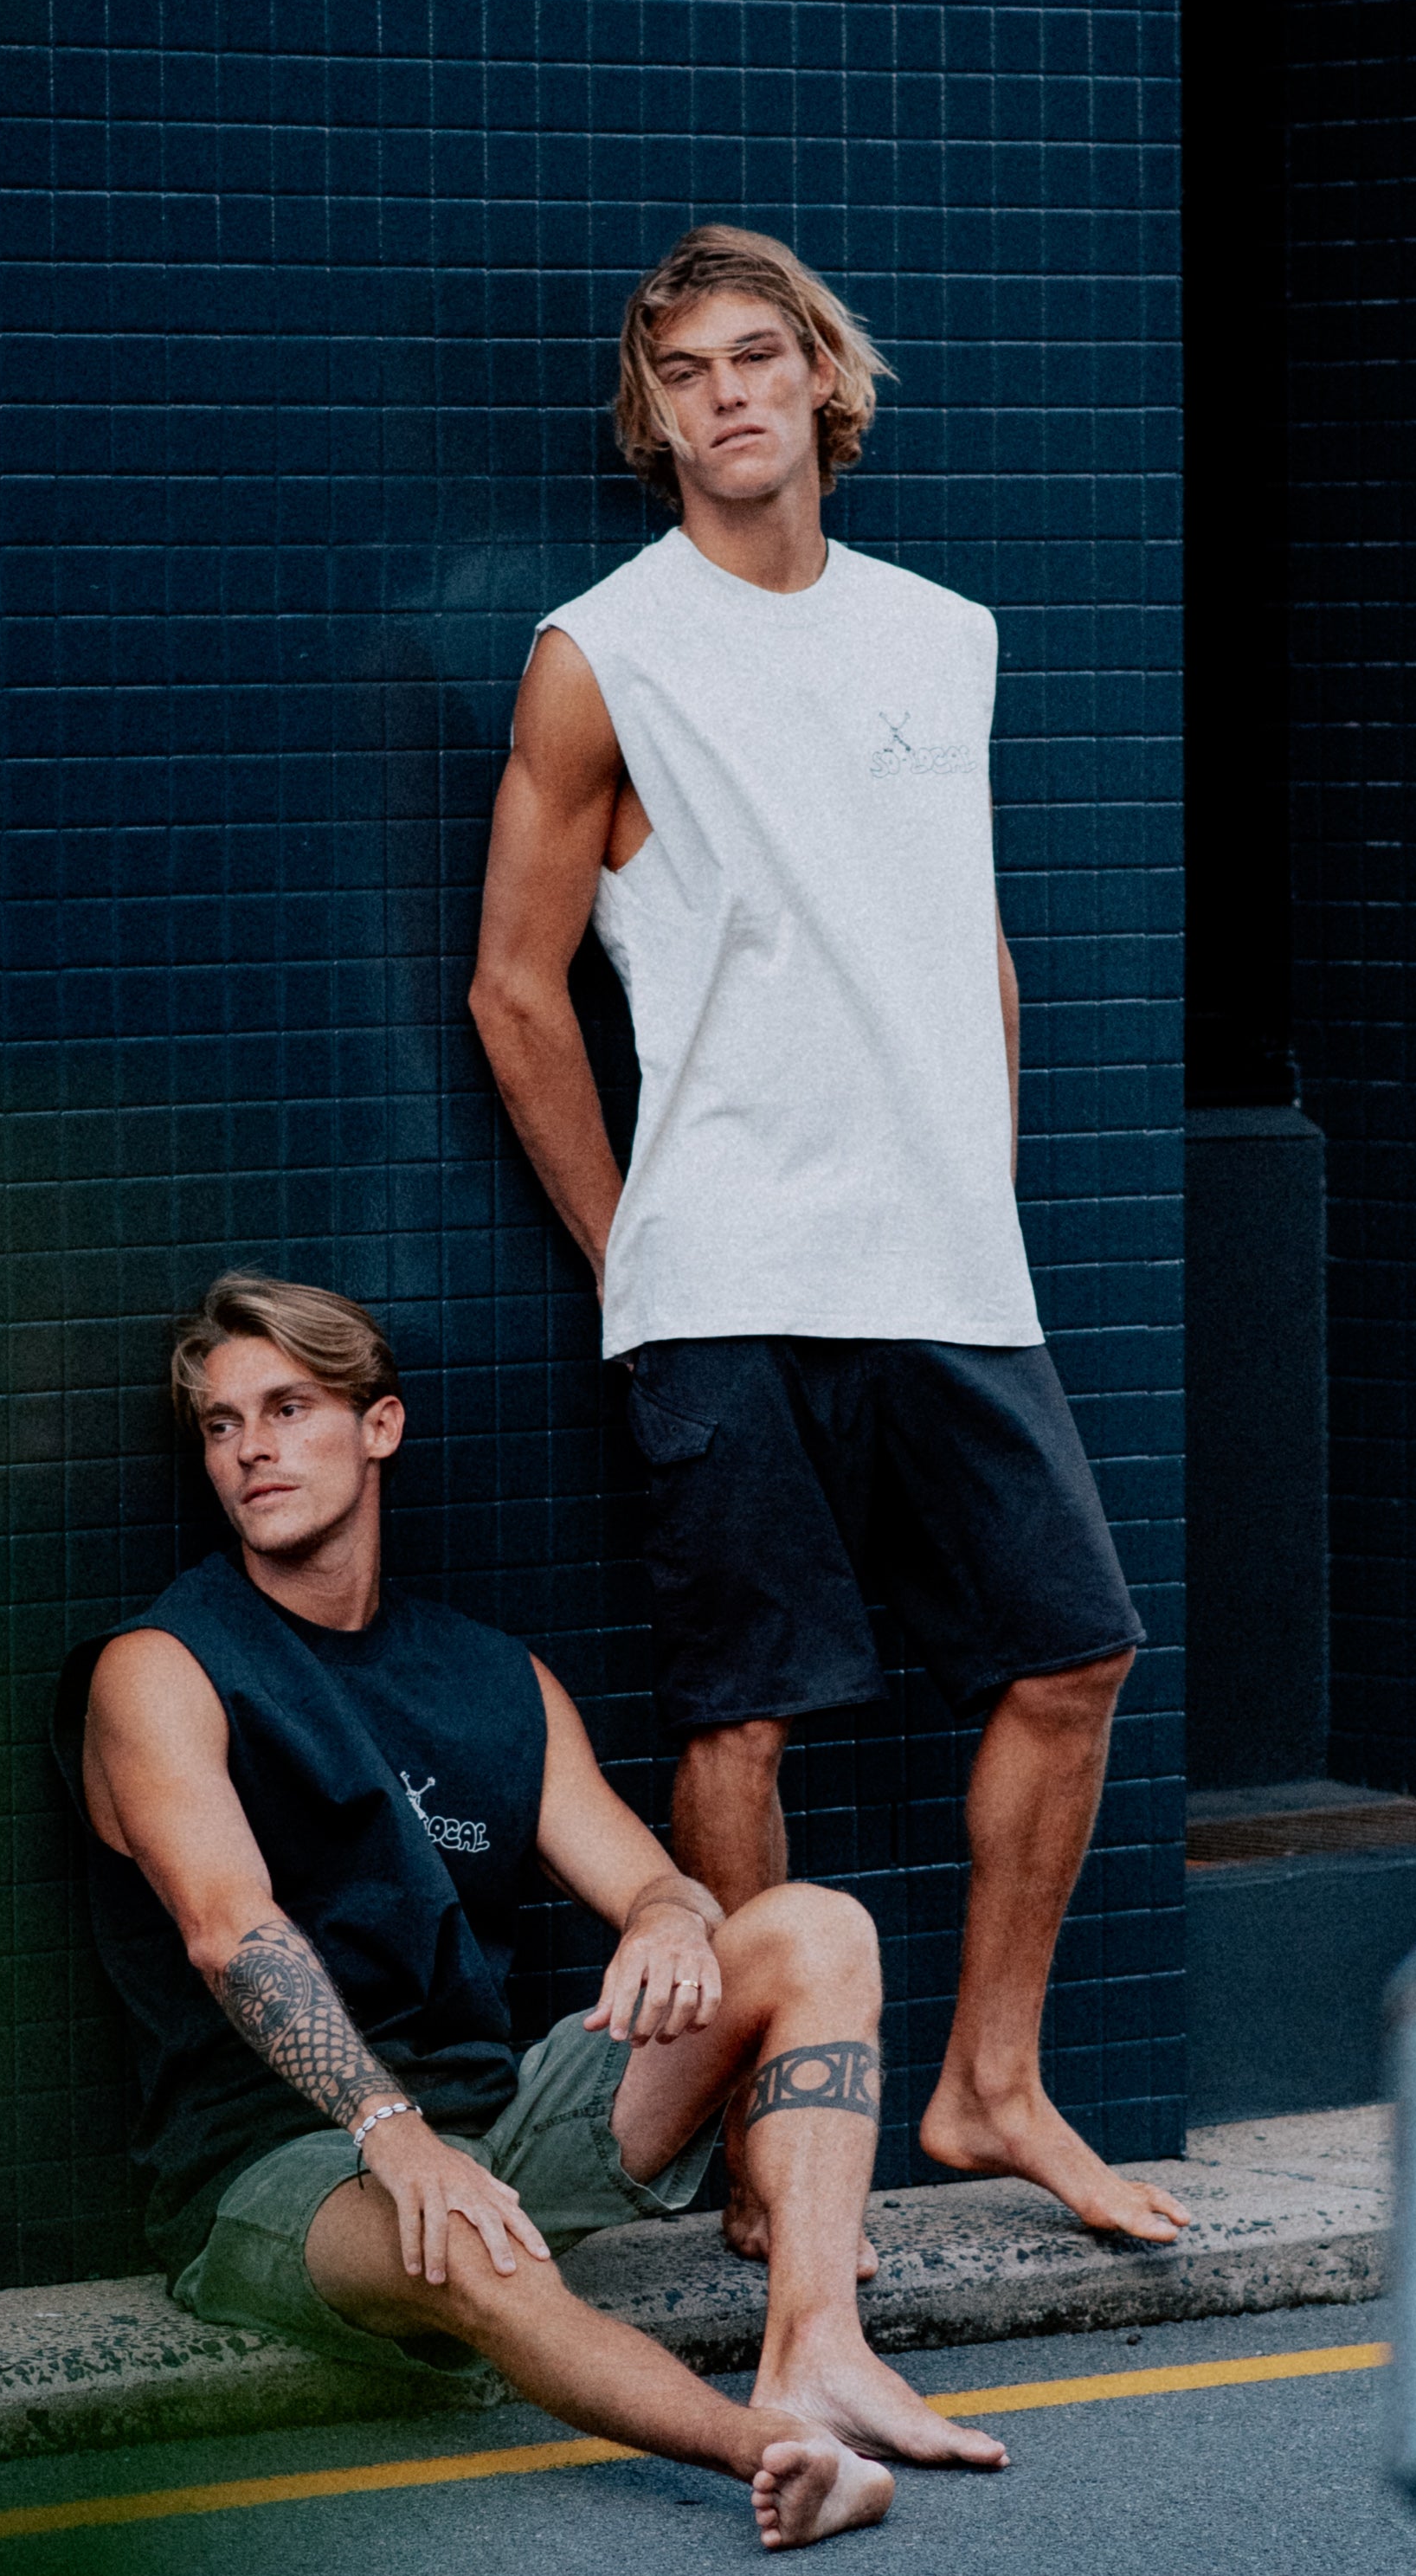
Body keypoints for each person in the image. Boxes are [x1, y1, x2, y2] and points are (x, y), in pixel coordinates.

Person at [468, 220, 1188, 2252]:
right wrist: (636, 1255)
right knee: (747, 1714)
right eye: (685, 370)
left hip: (939, 1256)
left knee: (1077, 1651)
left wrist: (979, 1164)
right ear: (655, 417)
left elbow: (969, 936)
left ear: (823, 384)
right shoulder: (602, 653)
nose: (726, 394)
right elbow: (516, 991)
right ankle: (789, 2173)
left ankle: (986, 2085)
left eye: (757, 357)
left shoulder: (940, 635)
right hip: (725, 1272)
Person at [56, 1269, 1011, 2552]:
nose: (252, 1450)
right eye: (224, 1426)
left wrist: (671, 1915)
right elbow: (232, 1928)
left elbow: (647, 1878)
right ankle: (769, 2450)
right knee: (473, 2249)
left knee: (813, 1931)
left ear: (378, 1426)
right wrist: (392, 2134)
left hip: (491, 2119)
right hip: (273, 2166)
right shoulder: (160, 1669)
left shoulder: (493, 1677)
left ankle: (818, 2354)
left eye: (287, 1409)